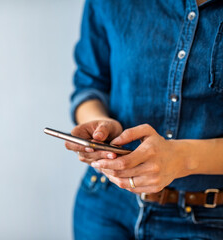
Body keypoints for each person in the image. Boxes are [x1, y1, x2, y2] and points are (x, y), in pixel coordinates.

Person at [65, 0, 223, 239]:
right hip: (105, 205)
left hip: (207, 220)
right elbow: (90, 84)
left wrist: (183, 157)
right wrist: (100, 126)